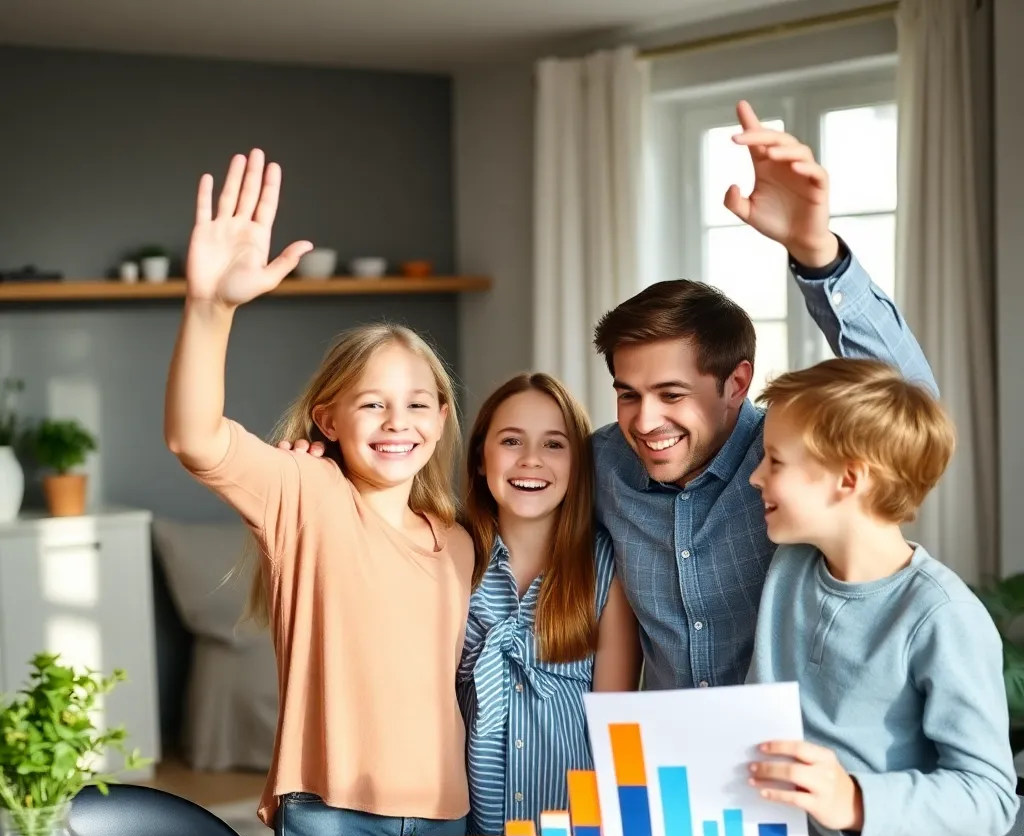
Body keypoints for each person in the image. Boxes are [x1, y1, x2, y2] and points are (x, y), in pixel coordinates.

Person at [284, 100, 938, 692]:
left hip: (794, 769)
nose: (645, 421)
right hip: (669, 772)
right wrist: (333, 469)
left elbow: (908, 412)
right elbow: (499, 491)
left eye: (672, 394)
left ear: (736, 383)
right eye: (628, 393)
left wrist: (817, 254)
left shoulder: (786, 464)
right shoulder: (603, 466)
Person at [164, 150, 475, 836]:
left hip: (450, 810)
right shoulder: (307, 493)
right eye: (373, 404)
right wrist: (209, 307)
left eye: (419, 404)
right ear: (329, 421)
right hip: (331, 814)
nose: (399, 423)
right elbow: (194, 438)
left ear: (443, 418)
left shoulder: (461, 540)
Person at [744, 359, 1018, 836]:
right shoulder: (789, 566)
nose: (756, 477)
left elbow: (991, 797)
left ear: (848, 479)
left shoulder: (942, 616)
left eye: (775, 461)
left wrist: (853, 800)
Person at [457, 373, 641, 835]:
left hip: (572, 835)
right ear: (482, 458)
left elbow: (612, 722)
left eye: (554, 445)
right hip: (461, 835)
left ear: (578, 465)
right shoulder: (449, 557)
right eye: (512, 441)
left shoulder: (606, 568)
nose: (532, 460)